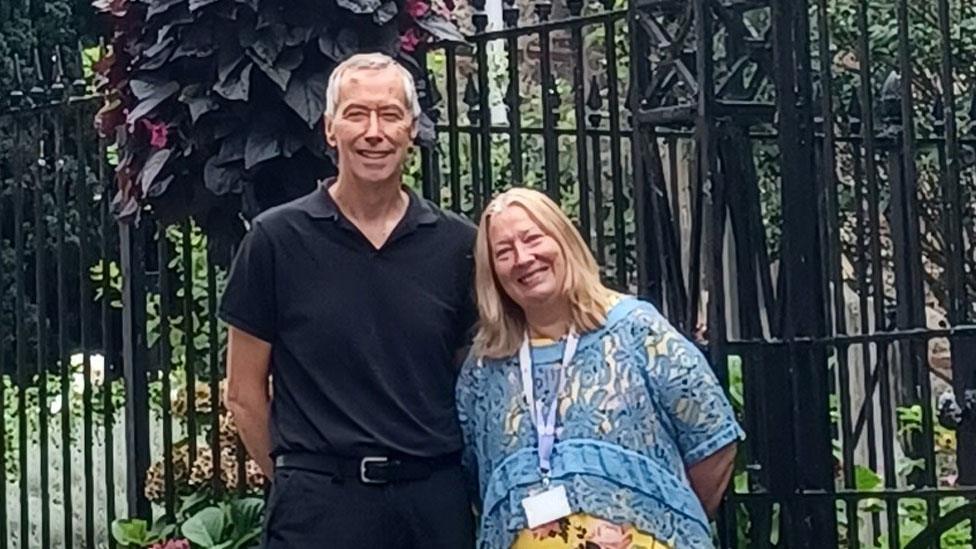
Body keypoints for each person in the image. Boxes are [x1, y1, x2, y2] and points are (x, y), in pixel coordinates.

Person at [220, 53, 477, 548]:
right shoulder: (276, 240)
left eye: (390, 114)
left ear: (412, 129)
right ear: (330, 128)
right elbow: (243, 392)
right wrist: (296, 486)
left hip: (433, 507)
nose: (373, 132)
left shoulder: (458, 246)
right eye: (357, 114)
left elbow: (477, 379)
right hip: (319, 509)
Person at [456, 188, 743, 548]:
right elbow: (472, 472)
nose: (523, 258)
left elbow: (712, 439)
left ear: (564, 241)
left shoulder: (637, 330)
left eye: (532, 238)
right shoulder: (485, 367)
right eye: (504, 252)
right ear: (492, 273)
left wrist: (665, 512)